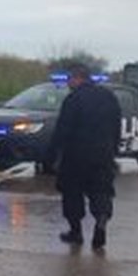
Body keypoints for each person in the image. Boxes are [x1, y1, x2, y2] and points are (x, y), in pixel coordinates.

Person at [45, 63, 122, 250]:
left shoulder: (73, 99)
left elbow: (63, 130)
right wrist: (113, 149)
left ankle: (76, 232)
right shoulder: (109, 97)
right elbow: (117, 126)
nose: (68, 83)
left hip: (76, 156)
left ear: (79, 78)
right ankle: (101, 222)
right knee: (102, 191)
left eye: (70, 79)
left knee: (72, 193)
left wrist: (51, 154)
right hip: (103, 154)